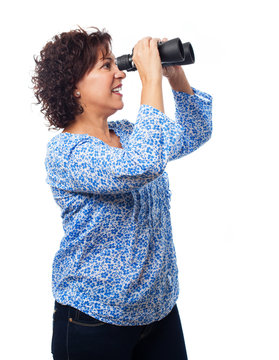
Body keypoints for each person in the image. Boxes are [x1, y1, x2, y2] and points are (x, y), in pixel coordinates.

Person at [32, 26, 213, 360]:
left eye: (118, 64)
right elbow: (141, 164)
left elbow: (196, 131)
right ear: (74, 88)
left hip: (158, 312)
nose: (120, 74)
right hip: (94, 324)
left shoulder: (131, 134)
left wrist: (172, 75)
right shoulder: (68, 154)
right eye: (106, 66)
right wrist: (150, 82)